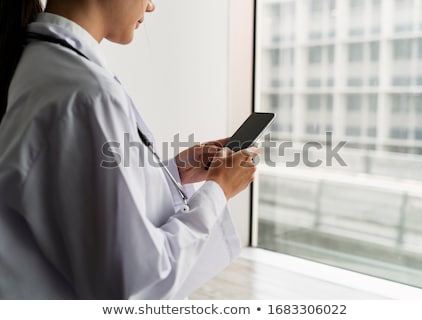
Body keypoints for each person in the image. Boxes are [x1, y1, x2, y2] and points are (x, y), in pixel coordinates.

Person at [0, 0, 258, 299]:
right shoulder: (86, 94)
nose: (150, 6)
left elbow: (72, 201)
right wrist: (219, 190)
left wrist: (175, 172)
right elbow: (133, 284)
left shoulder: (47, 64)